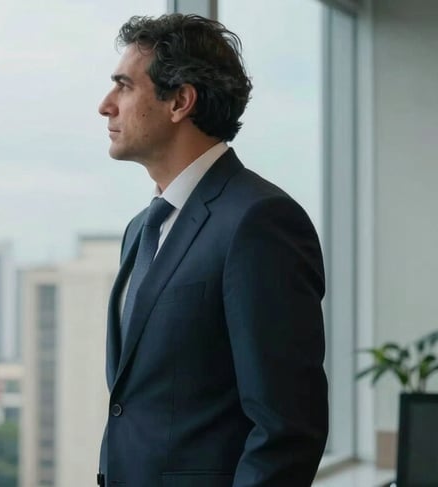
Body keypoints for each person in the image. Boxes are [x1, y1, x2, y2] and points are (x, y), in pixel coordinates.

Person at [96, 14, 328, 487]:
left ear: (180, 101)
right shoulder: (141, 229)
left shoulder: (260, 222)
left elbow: (286, 429)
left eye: (123, 86)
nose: (105, 106)